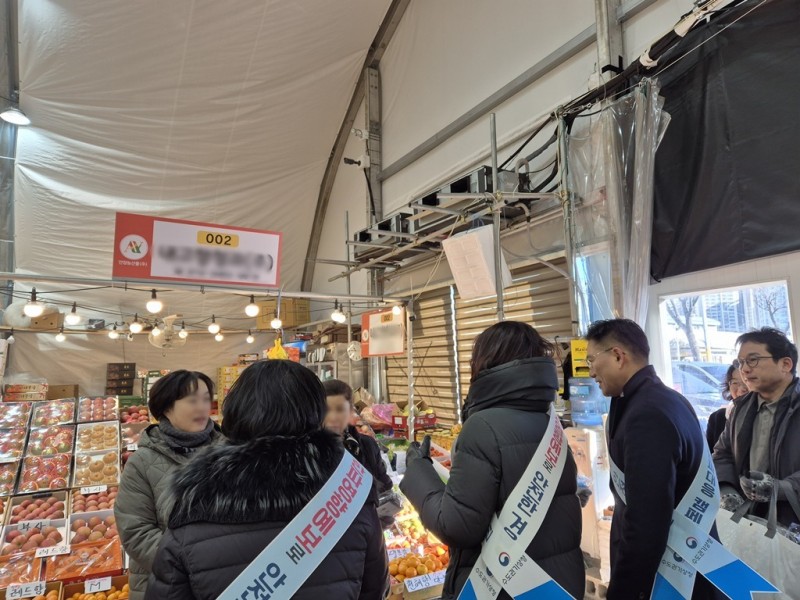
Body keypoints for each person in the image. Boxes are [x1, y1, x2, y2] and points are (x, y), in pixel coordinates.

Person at [146, 360, 388, 600]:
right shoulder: (350, 494)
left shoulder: (194, 503)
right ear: (316, 414)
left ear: (234, 415)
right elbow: (374, 589)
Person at [399, 321, 584, 600]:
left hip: (502, 588)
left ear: (485, 362)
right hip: (555, 585)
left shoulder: (483, 426)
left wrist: (418, 470)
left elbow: (457, 526)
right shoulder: (550, 424)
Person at [586, 319, 720, 600]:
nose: (591, 371)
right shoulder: (665, 399)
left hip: (672, 576)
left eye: (591, 360)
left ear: (618, 356)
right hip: (689, 561)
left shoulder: (646, 414)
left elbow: (646, 523)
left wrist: (623, 591)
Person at [115, 370, 223, 600]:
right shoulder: (141, 463)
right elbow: (136, 532)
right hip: (166, 584)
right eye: (192, 400)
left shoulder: (230, 451)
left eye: (206, 399)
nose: (202, 407)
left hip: (224, 579)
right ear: (166, 408)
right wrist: (192, 561)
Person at [713, 327, 800, 528]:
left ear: (785, 364)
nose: (744, 369)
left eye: (753, 360)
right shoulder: (740, 408)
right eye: (740, 362)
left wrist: (780, 488)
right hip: (749, 523)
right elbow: (722, 454)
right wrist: (726, 489)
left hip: (792, 522)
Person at [323, 379, 393, 501]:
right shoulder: (311, 456)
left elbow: (386, 486)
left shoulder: (368, 445)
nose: (333, 417)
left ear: (351, 412)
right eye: (327, 410)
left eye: (340, 409)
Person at [705, 365, 749, 452]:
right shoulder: (718, 418)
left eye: (746, 381)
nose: (741, 388)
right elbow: (710, 456)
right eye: (735, 382)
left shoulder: (765, 416)